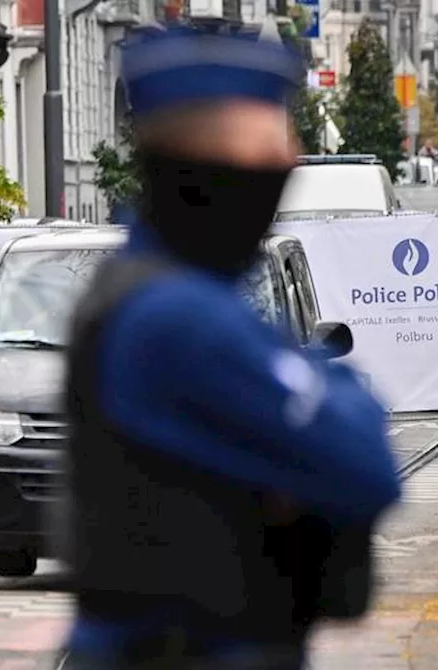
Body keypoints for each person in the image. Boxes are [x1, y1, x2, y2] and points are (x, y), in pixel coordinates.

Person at [58, 25, 402, 669]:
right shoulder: (179, 318)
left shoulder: (161, 291)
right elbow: (366, 461)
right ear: (212, 162)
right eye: (275, 140)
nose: (293, 159)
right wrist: (331, 393)